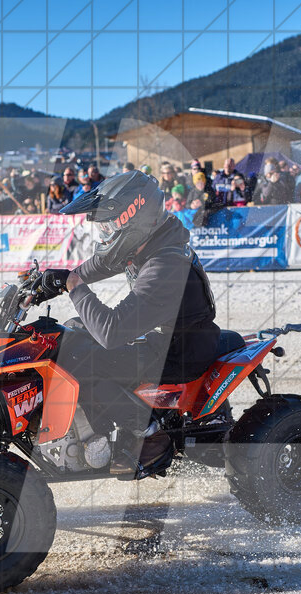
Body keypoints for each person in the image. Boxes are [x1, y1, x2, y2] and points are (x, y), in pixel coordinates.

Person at [46, 171, 220, 479]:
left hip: (180, 353)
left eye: (109, 226)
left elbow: (111, 331)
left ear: (134, 217)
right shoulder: (150, 242)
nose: (105, 234)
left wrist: (74, 286)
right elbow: (101, 263)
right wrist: (58, 277)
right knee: (72, 330)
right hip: (166, 337)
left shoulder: (165, 266)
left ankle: (149, 431)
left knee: (78, 359)